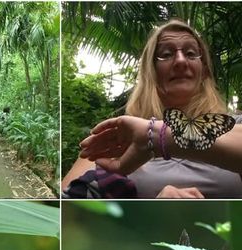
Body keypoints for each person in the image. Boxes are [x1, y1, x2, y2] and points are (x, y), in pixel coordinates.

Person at [63, 19, 242, 198]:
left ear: (204, 70)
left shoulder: (234, 126)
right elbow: (67, 211)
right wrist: (150, 210)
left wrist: (155, 136)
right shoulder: (118, 137)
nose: (180, 61)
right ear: (152, 71)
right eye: (166, 54)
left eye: (190, 53)